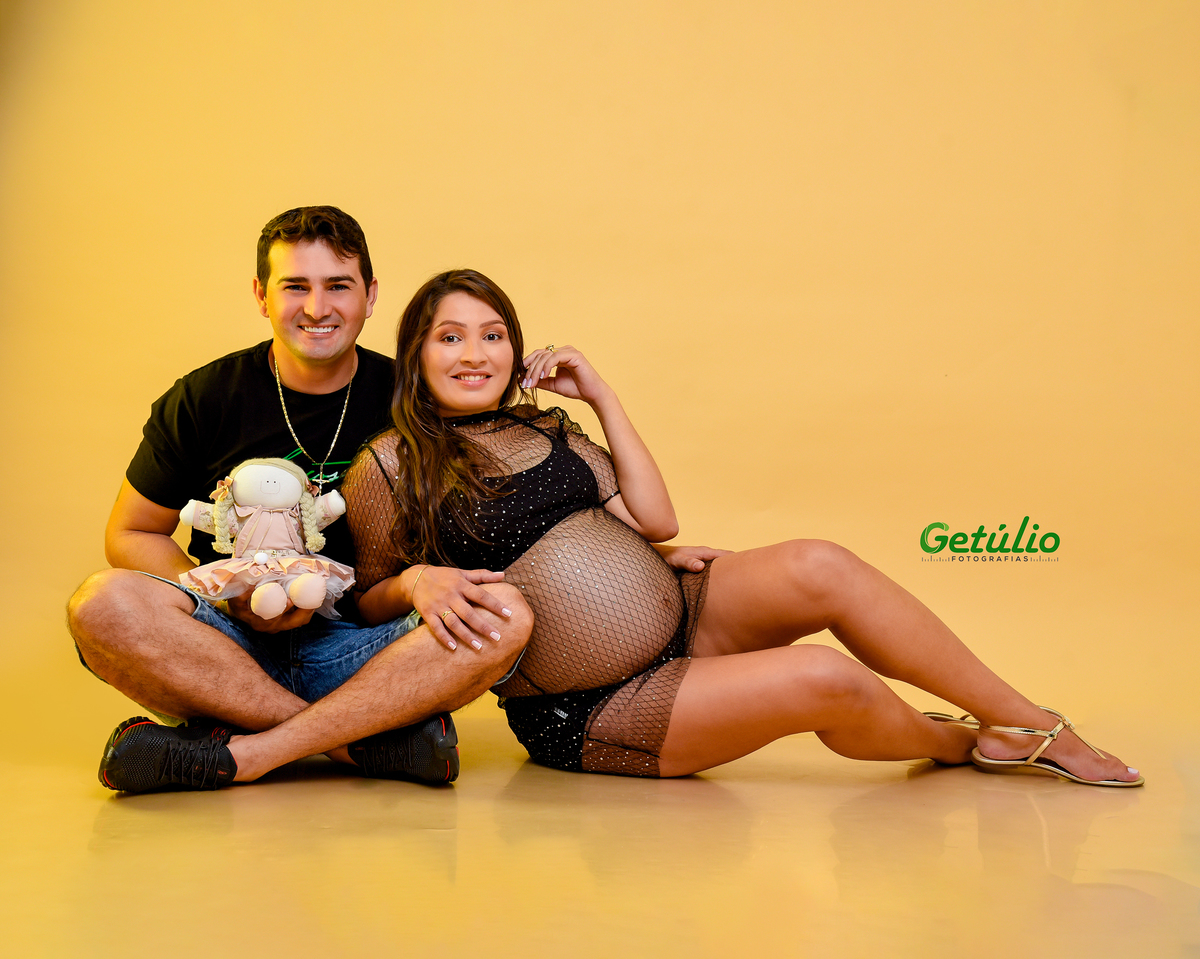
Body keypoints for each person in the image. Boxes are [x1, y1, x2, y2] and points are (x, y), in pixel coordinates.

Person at [340, 268, 1142, 787]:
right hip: (596, 705)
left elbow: (655, 518)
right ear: (416, 354)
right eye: (451, 337)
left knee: (822, 562)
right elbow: (366, 598)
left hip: (682, 615)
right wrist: (416, 580)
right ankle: (964, 744)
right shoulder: (389, 463)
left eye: (493, 335)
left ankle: (1029, 718)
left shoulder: (546, 426)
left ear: (516, 349)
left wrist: (603, 396)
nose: (474, 353)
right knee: (825, 679)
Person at [68, 209, 532, 793]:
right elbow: (131, 533)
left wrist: (631, 538)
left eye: (338, 285)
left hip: (361, 649)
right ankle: (353, 744)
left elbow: (509, 474)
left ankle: (247, 749)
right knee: (100, 603)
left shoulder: (414, 397)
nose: (317, 308)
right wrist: (225, 598)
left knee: (504, 612)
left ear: (370, 296)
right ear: (261, 295)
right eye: (295, 286)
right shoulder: (205, 397)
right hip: (224, 647)